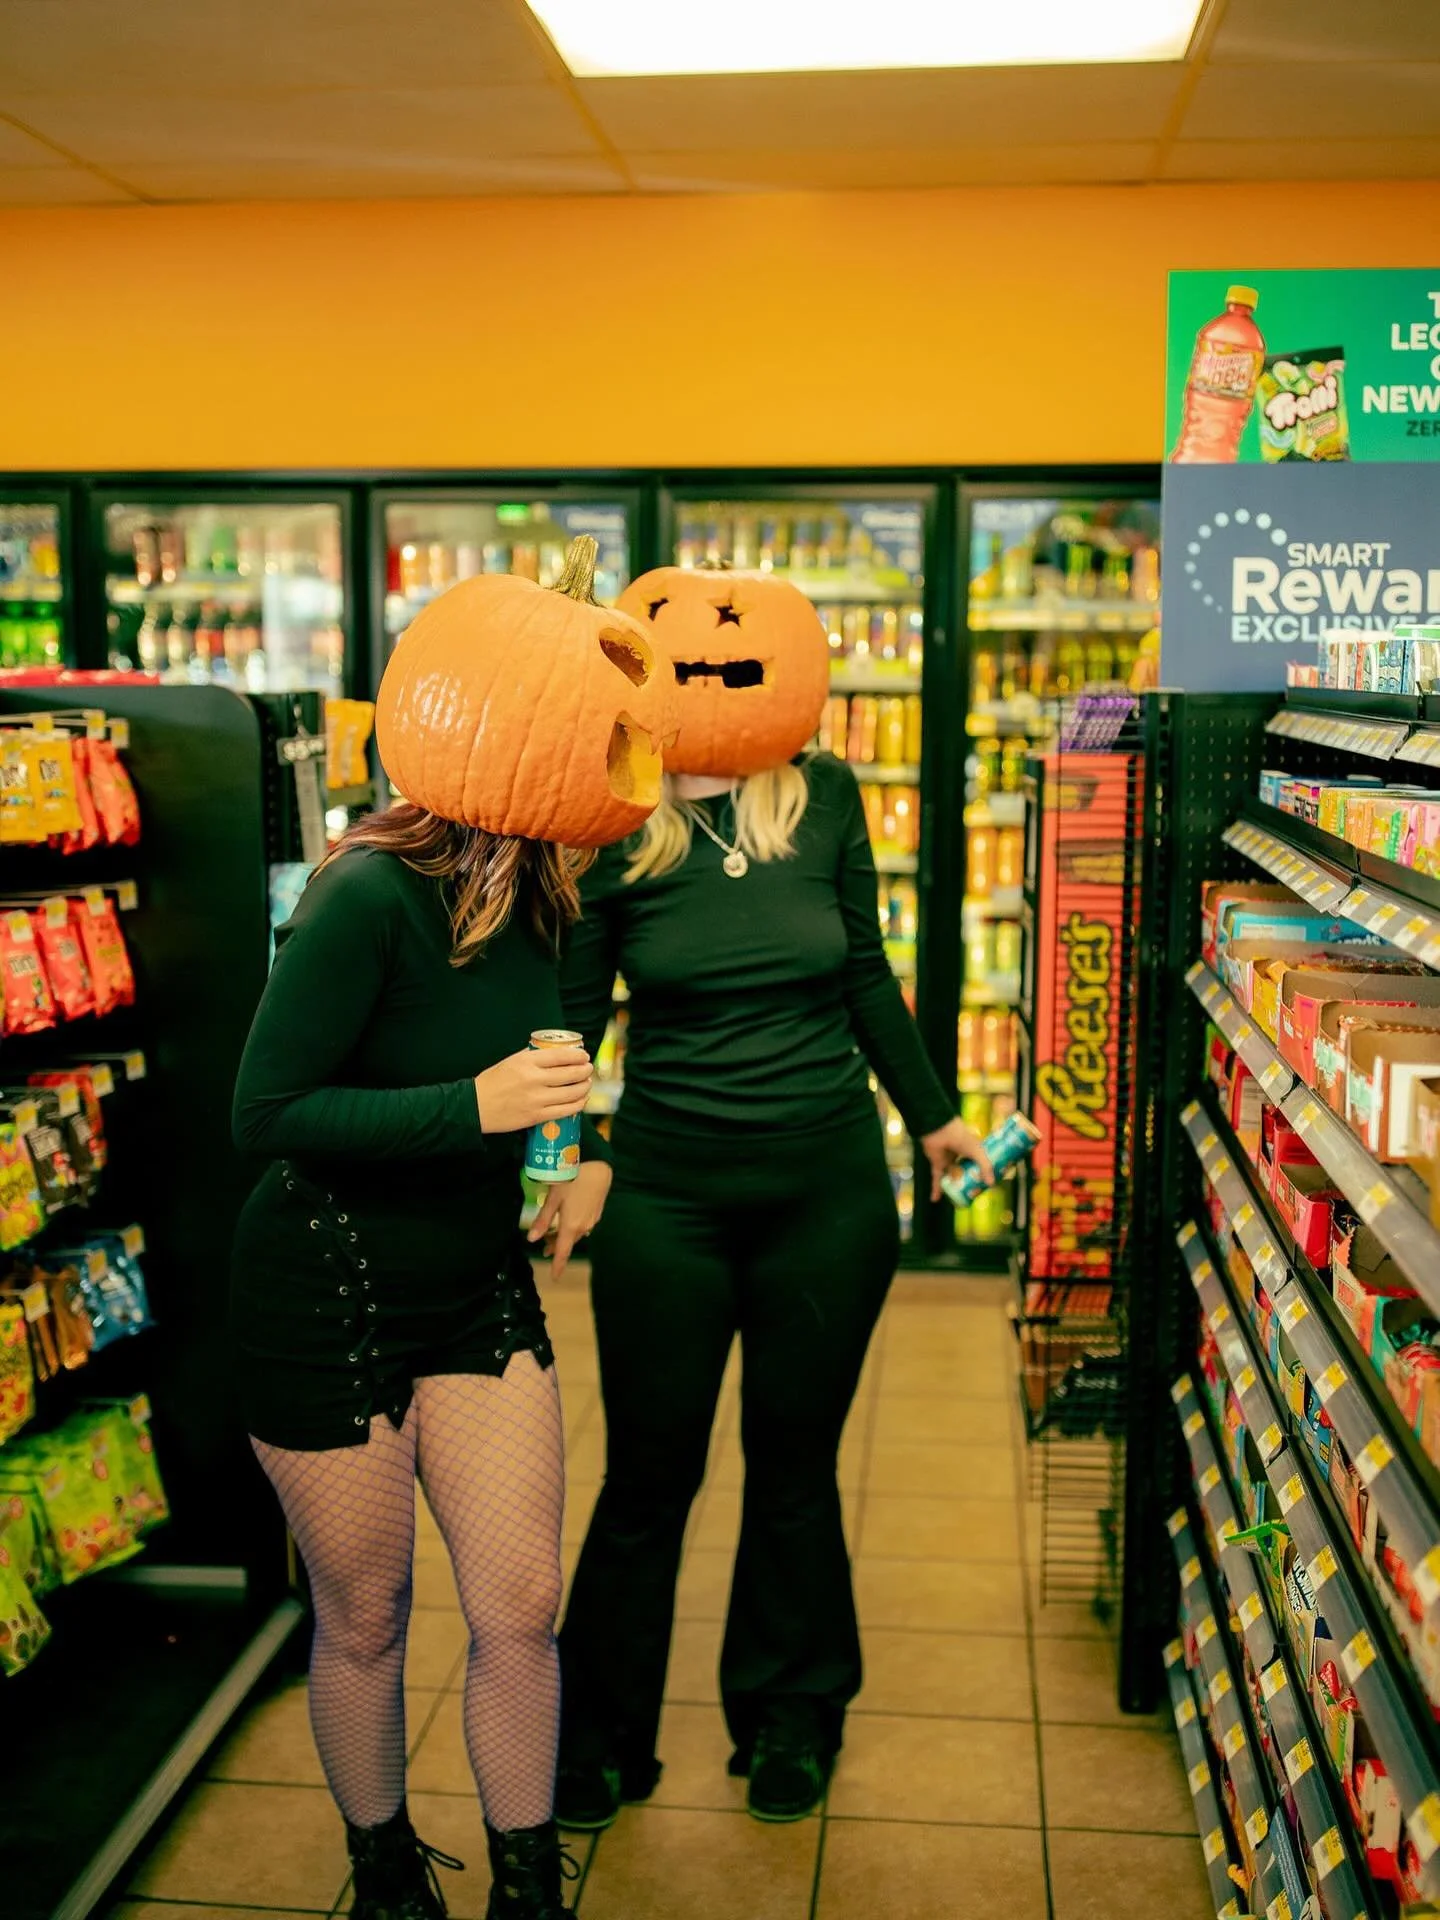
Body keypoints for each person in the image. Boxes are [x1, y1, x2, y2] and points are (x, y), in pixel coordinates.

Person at [229, 543, 656, 1920]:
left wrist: (571, 1159)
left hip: (476, 1287)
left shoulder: (546, 896)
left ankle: (528, 1891)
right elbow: (266, 1112)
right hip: (326, 1294)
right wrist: (470, 1108)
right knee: (365, 1617)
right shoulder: (363, 894)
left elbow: (534, 1075)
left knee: (519, 1605)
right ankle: (387, 1879)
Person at [553, 569, 991, 1828]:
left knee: (794, 1468)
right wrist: (567, 1154)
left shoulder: (826, 795)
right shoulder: (612, 814)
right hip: (667, 1199)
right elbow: (570, 1020)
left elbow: (864, 972)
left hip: (826, 1195)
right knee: (648, 1476)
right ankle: (598, 1736)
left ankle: (791, 1715)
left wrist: (936, 1117)